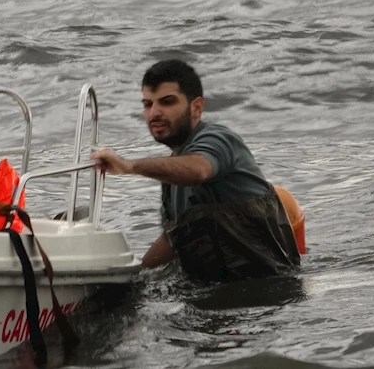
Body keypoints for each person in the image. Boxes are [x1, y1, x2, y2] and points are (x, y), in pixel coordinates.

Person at [90, 59, 301, 283]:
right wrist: (133, 278)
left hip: (266, 292)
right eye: (147, 104)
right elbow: (173, 241)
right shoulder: (172, 171)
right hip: (214, 292)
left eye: (167, 102)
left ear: (197, 107)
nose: (154, 113)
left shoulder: (218, 140)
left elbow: (199, 170)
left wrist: (129, 165)